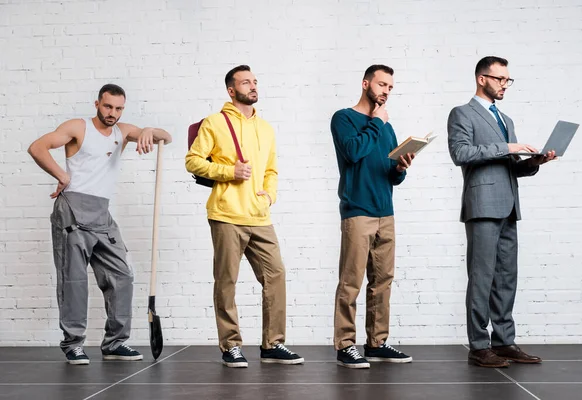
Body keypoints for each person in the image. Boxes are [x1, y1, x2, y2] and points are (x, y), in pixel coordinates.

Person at [27, 84, 172, 365]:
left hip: (102, 213)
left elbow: (167, 137)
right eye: (108, 107)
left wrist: (149, 130)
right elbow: (37, 147)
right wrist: (62, 176)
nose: (112, 113)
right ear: (97, 104)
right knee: (75, 280)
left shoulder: (123, 131)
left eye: (118, 108)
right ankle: (73, 344)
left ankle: (115, 343)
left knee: (122, 276)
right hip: (72, 209)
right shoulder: (77, 127)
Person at [185, 65, 304, 368]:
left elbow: (272, 170)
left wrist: (270, 195)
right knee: (227, 281)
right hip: (226, 214)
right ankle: (231, 346)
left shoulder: (265, 128)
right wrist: (229, 171)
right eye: (246, 82)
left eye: (255, 82)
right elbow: (193, 161)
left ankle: (273, 344)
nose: (253, 87)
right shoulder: (214, 123)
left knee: (275, 275)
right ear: (231, 90)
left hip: (259, 216)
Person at [447, 56, 556, 368]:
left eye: (508, 80)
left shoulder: (505, 120)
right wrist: (508, 148)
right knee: (482, 277)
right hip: (482, 207)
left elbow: (510, 169)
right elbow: (461, 153)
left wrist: (533, 163)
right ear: (482, 79)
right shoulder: (462, 113)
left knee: (507, 277)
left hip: (508, 206)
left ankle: (504, 342)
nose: (504, 85)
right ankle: (479, 346)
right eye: (499, 79)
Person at [330, 64, 415, 369]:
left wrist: (401, 168)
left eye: (390, 87)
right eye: (381, 85)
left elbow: (389, 174)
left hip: (386, 212)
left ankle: (377, 343)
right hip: (357, 212)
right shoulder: (344, 118)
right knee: (351, 281)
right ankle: (345, 346)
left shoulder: (387, 127)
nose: (386, 91)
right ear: (366, 83)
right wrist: (377, 123)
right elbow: (353, 152)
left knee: (383, 281)